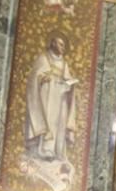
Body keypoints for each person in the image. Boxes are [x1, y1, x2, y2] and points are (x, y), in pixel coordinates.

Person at [25, 33, 78, 162]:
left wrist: (71, 84)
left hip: (60, 98)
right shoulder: (44, 59)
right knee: (48, 120)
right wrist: (43, 77)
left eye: (64, 45)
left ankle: (58, 150)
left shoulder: (64, 63)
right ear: (53, 43)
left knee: (59, 122)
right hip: (46, 95)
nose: (62, 47)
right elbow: (35, 76)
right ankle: (45, 149)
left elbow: (67, 78)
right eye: (60, 44)